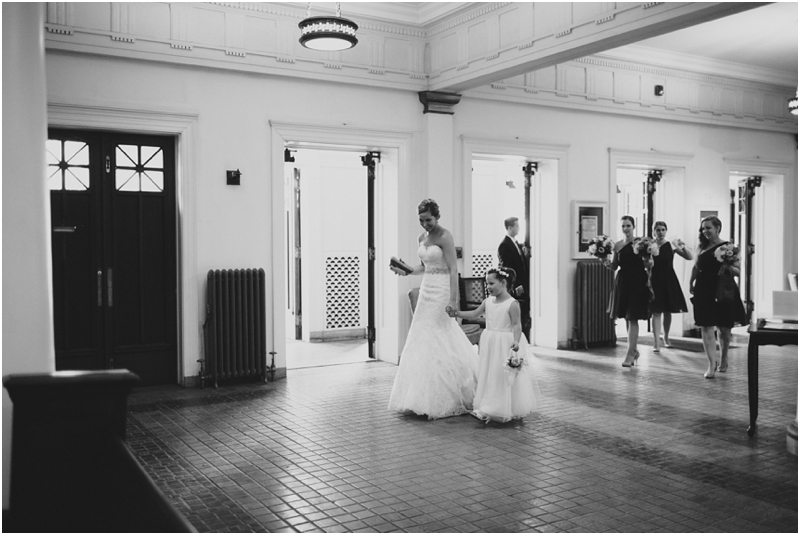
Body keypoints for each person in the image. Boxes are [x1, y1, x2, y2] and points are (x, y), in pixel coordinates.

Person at [387, 199, 477, 419]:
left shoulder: (445, 237)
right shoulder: (422, 238)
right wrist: (408, 269)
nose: (425, 224)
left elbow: (453, 269)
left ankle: (454, 392)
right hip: (427, 288)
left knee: (440, 333)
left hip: (443, 290)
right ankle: (420, 395)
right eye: (421, 220)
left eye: (428, 220)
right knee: (422, 337)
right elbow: (425, 267)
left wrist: (453, 300)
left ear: (437, 217)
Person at [449, 268, 540, 423]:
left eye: (491, 283)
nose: (488, 287)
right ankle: (488, 404)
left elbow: (517, 325)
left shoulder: (512, 304)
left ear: (503, 283)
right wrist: (457, 313)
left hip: (504, 342)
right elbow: (474, 314)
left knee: (501, 374)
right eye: (486, 284)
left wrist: (516, 341)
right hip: (490, 340)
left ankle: (504, 407)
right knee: (488, 372)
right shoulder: (487, 302)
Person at [689, 215, 747, 379]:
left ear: (718, 228)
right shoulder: (701, 247)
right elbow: (696, 266)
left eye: (708, 227)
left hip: (723, 288)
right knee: (705, 326)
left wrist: (727, 265)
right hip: (703, 288)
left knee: (724, 327)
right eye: (703, 228)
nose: (705, 231)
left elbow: (738, 271)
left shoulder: (728, 247)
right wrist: (691, 282)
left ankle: (724, 356)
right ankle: (711, 364)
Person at [604, 215, 652, 368]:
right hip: (623, 281)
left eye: (628, 226)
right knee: (627, 316)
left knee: (633, 317)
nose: (625, 229)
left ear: (634, 226)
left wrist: (648, 260)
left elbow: (649, 264)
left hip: (638, 280)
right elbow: (614, 266)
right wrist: (604, 261)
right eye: (623, 226)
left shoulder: (641, 243)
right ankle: (633, 350)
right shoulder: (617, 245)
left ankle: (630, 353)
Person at [650, 221, 692, 352]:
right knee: (656, 311)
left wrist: (682, 246)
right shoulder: (649, 245)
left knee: (667, 310)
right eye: (658, 230)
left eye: (663, 230)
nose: (660, 232)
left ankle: (666, 337)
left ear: (666, 231)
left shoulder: (671, 245)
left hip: (668, 279)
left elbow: (689, 257)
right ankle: (656, 342)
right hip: (654, 279)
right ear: (654, 231)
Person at [497, 217, 530, 338]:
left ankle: (523, 339)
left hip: (524, 283)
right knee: (517, 314)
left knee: (524, 312)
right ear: (510, 228)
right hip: (515, 286)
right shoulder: (504, 245)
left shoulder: (516, 243)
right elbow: (507, 269)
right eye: (517, 226)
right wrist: (516, 285)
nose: (519, 228)